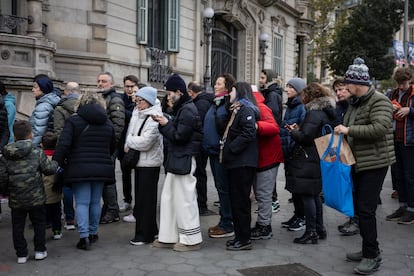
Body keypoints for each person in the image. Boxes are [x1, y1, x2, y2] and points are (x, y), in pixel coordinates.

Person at [334, 57, 395, 275]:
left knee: (366, 210)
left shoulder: (379, 101)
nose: (344, 87)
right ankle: (367, 248)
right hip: (358, 162)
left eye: (347, 83)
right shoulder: (355, 102)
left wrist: (348, 131)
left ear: (357, 84)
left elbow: (380, 128)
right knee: (361, 209)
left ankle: (372, 255)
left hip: (375, 162)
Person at [53, 91, 116, 250]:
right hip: (101, 168)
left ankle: (84, 237)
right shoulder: (107, 123)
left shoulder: (74, 121)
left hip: (78, 168)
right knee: (96, 201)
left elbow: (63, 144)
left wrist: (55, 163)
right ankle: (94, 233)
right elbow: (112, 146)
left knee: (82, 202)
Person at [151, 73, 203, 252]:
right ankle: (169, 236)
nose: (167, 96)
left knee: (184, 199)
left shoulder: (188, 109)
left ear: (178, 92)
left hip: (185, 158)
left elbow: (180, 136)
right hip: (178, 158)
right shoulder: (183, 108)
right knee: (169, 198)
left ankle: (191, 239)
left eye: (169, 92)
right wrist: (166, 122)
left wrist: (165, 123)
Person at [285, 82, 337, 244]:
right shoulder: (326, 112)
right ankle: (319, 229)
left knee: (308, 196)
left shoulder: (314, 113)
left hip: (309, 158)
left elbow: (305, 137)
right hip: (319, 156)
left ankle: (311, 232)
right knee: (314, 195)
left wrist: (293, 131)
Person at [0, 120, 58, 264]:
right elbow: (48, 169)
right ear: (30, 135)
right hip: (36, 196)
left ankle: (21, 254)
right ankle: (39, 250)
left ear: (14, 135)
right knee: (39, 223)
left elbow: (2, 177)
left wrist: (6, 191)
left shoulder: (5, 154)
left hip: (16, 197)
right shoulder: (36, 151)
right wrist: (56, 163)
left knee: (17, 226)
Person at [221, 82, 258, 251]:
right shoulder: (237, 109)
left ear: (240, 92)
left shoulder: (246, 109)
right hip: (236, 162)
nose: (229, 94)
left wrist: (231, 148)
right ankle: (239, 236)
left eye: (232, 91)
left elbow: (249, 132)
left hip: (242, 163)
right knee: (236, 201)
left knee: (241, 202)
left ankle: (244, 240)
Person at [124, 87, 163, 245]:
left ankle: (144, 235)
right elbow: (131, 132)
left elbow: (146, 142)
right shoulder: (137, 112)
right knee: (141, 199)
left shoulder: (155, 116)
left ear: (148, 101)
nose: (137, 103)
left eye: (140, 101)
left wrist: (129, 142)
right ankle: (151, 231)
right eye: (136, 100)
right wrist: (131, 139)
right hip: (140, 162)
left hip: (149, 163)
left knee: (146, 201)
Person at [203, 73, 236, 238]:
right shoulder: (215, 103)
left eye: (218, 84)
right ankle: (225, 219)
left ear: (227, 87)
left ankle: (227, 223)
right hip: (212, 152)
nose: (215, 86)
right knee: (220, 188)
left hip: (221, 153)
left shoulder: (228, 104)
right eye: (215, 83)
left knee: (224, 189)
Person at [250, 86, 283, 240]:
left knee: (263, 194)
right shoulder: (257, 106)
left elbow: (274, 127)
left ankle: (264, 227)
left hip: (268, 157)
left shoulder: (261, 108)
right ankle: (262, 224)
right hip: (263, 157)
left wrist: (256, 126)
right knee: (260, 193)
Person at [386, 67, 414, 225]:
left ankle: (412, 209)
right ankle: (402, 206)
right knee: (398, 175)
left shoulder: (413, 93)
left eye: (403, 83)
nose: (401, 86)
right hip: (394, 139)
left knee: (410, 176)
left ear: (409, 80)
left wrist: (410, 110)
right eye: (398, 83)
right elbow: (382, 108)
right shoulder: (392, 94)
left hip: (410, 141)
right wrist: (390, 108)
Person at [96, 72, 125, 224]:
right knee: (104, 178)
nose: (100, 83)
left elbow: (118, 126)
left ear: (111, 84)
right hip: (102, 146)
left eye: (104, 81)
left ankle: (112, 210)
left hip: (108, 147)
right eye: (99, 81)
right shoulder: (102, 98)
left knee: (108, 179)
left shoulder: (115, 99)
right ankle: (107, 207)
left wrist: (110, 145)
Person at [333, 78, 360, 236]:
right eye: (336, 90)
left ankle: (356, 220)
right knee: (349, 186)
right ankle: (352, 217)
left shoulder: (354, 105)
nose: (338, 93)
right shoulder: (339, 106)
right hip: (344, 150)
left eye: (341, 89)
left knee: (356, 188)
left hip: (356, 152)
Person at [279, 78, 307, 232]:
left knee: (299, 187)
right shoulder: (290, 105)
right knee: (293, 187)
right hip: (289, 151)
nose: (287, 89)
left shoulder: (301, 106)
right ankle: (297, 215)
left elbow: (302, 129)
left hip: (296, 151)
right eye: (287, 86)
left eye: (290, 87)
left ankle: (301, 217)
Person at [53, 81, 81, 231]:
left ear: (65, 92)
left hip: (67, 151)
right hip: (82, 150)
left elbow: (58, 132)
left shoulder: (60, 108)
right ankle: (83, 218)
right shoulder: (85, 107)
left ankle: (69, 218)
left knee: (67, 185)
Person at [188, 81, 215, 216]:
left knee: (199, 173)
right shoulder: (207, 101)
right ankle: (201, 203)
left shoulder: (199, 104)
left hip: (200, 143)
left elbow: (196, 123)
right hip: (204, 142)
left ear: (191, 92)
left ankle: (201, 204)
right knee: (200, 172)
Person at [258, 69, 283, 213]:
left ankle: (273, 201)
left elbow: (271, 116)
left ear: (269, 79)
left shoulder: (272, 94)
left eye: (262, 77)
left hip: (271, 138)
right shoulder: (271, 93)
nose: (260, 80)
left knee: (268, 173)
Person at [119, 75, 140, 215]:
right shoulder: (120, 99)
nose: (129, 89)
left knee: (139, 174)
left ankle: (138, 202)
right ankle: (127, 200)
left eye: (132, 86)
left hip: (137, 142)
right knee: (125, 173)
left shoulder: (140, 99)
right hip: (123, 142)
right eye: (127, 86)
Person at [41, 132, 63, 240]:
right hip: (56, 193)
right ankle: (57, 232)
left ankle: (42, 231)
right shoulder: (58, 159)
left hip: (42, 193)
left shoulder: (40, 159)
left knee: (42, 215)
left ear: (41, 144)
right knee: (56, 214)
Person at [29, 76, 61, 147]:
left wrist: (33, 148)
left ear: (43, 88)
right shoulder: (49, 102)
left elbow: (38, 132)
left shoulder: (43, 107)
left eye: (35, 87)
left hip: (40, 147)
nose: (33, 90)